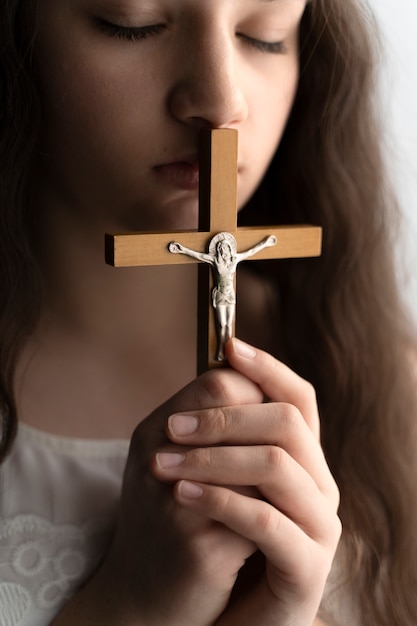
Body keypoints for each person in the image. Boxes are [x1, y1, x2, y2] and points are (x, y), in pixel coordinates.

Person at [0, 1, 416, 625]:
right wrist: (132, 607)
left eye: (265, 36)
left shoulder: (396, 390)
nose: (222, 102)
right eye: (131, 22)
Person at [169, 233, 277, 360]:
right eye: (221, 248)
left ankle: (228, 349)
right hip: (220, 295)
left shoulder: (235, 259)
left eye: (225, 248)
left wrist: (265, 243)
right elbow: (197, 255)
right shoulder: (215, 260)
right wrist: (181, 249)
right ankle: (220, 348)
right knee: (221, 323)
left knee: (229, 325)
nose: (223, 250)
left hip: (230, 295)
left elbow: (251, 252)